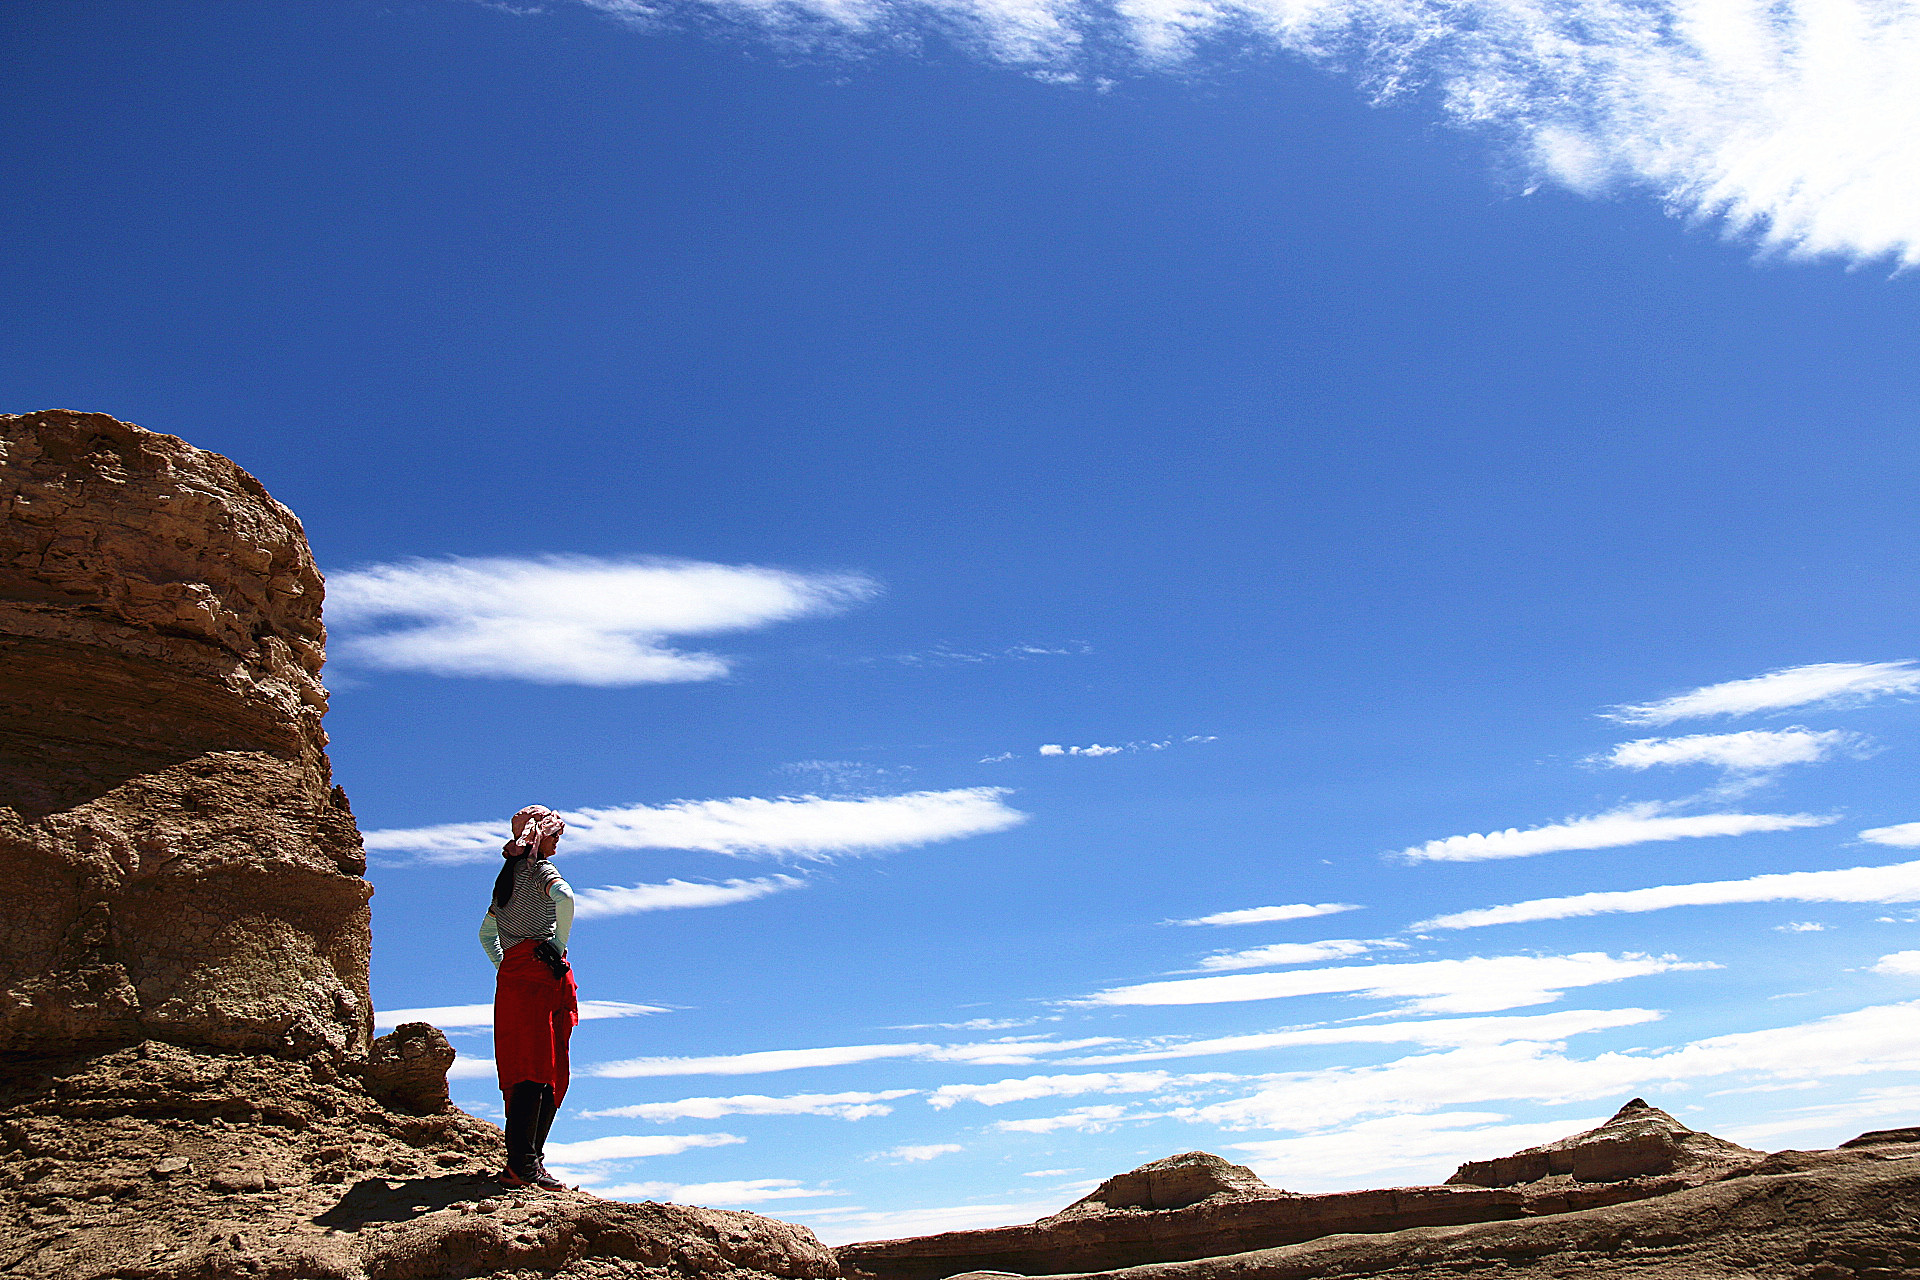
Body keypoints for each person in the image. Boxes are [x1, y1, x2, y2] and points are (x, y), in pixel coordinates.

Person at [480, 804, 579, 1190]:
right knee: (547, 1066)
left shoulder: (504, 883)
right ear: (540, 836)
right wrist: (556, 944)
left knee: (524, 1062)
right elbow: (566, 899)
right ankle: (525, 1163)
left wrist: (507, 965)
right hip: (541, 974)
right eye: (555, 835)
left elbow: (486, 936)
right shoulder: (540, 871)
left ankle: (527, 1163)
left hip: (517, 979)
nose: (558, 843)